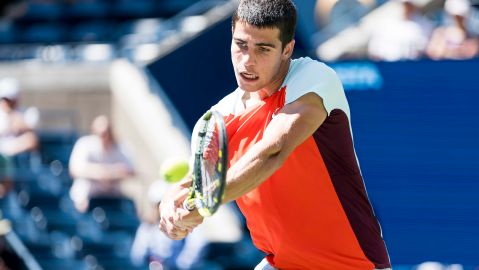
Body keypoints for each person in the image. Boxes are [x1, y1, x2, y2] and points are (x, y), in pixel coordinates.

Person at [159, 0, 391, 269]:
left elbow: (272, 151)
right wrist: (170, 209)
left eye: (263, 49)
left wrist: (204, 204)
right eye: (241, 45)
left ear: (287, 50)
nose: (247, 61)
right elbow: (194, 181)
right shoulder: (218, 117)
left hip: (352, 264)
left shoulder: (313, 78)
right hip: (281, 263)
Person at [130, 180, 208, 270]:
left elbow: (198, 243)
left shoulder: (185, 221)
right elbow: (137, 255)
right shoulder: (147, 227)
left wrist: (181, 264)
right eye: (159, 204)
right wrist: (152, 264)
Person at [69, 115, 135, 212]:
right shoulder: (85, 144)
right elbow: (74, 170)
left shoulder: (120, 148)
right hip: (87, 196)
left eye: (106, 132)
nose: (103, 136)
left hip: (113, 196)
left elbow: (130, 171)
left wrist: (109, 174)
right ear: (93, 131)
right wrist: (101, 172)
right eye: (100, 133)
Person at [367, 0, 434, 61]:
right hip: (389, 68)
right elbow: (375, 52)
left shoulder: (425, 24)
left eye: (408, 5)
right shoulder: (384, 24)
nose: (406, 8)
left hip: (414, 68)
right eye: (404, 5)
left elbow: (427, 51)